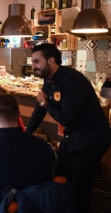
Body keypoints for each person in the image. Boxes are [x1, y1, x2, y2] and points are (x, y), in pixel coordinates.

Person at [27, 43, 111, 212]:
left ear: (51, 61)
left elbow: (65, 118)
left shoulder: (72, 80)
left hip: (91, 139)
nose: (33, 66)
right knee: (60, 178)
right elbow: (39, 111)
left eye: (36, 61)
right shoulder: (50, 80)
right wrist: (25, 134)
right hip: (73, 137)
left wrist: (44, 102)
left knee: (81, 187)